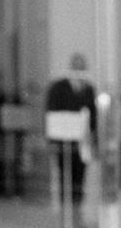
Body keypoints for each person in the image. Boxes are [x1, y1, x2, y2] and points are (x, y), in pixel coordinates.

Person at [46, 52, 97, 226]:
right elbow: (51, 114)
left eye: (82, 66)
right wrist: (52, 141)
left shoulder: (89, 89)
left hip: (81, 143)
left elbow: (94, 117)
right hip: (63, 142)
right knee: (64, 177)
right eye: (76, 66)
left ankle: (77, 214)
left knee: (79, 178)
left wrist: (94, 141)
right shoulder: (58, 87)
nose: (79, 70)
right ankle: (64, 215)